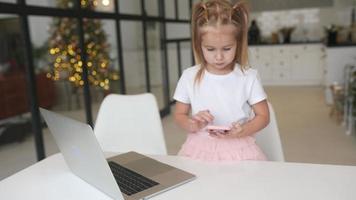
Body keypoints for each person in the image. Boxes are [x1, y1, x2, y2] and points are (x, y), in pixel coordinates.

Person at [173, 0, 269, 161]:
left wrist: (244, 129)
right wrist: (192, 124)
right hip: (199, 146)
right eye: (210, 49)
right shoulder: (189, 76)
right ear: (199, 45)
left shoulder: (248, 77)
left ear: (238, 44)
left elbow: (263, 116)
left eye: (226, 49)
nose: (219, 57)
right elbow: (179, 114)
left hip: (239, 146)